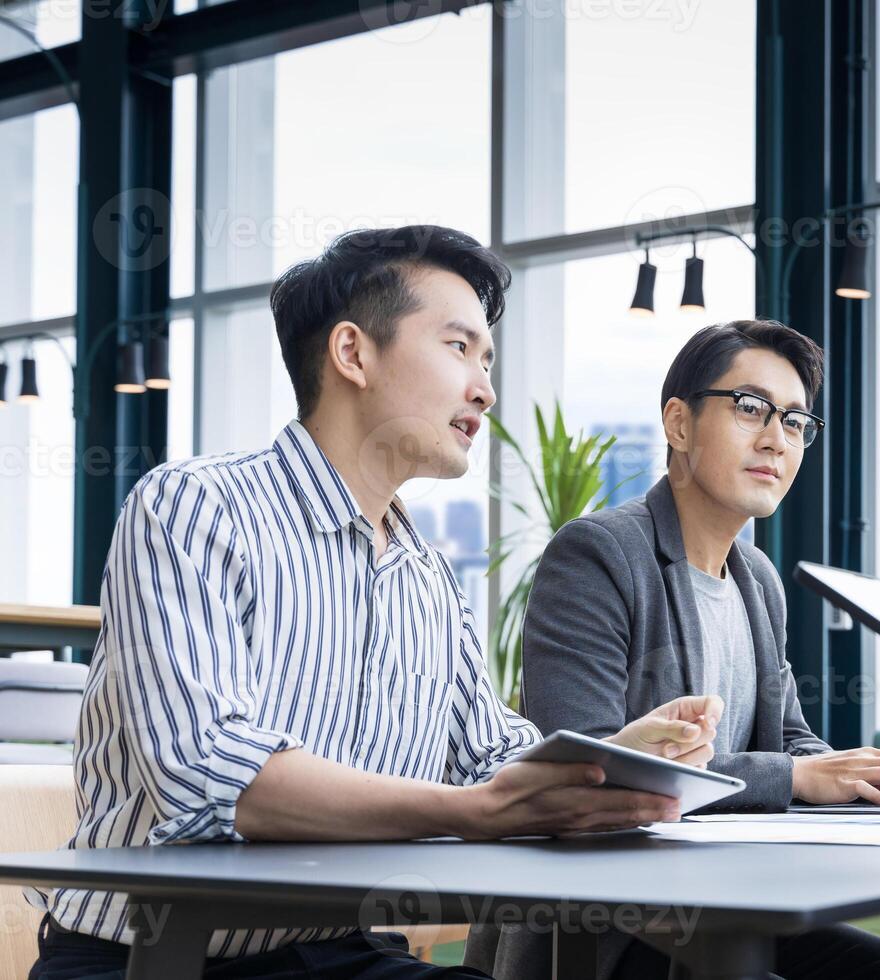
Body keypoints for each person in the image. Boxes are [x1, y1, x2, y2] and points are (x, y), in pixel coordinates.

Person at [27, 225, 724, 979]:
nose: (485, 389)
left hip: (343, 949)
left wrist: (610, 763)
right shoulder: (194, 508)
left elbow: (487, 754)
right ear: (353, 352)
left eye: (487, 360)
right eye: (459, 348)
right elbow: (208, 774)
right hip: (157, 956)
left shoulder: (427, 574)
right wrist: (475, 812)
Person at [476, 320, 880, 980]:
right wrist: (801, 777)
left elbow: (789, 741)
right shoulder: (596, 555)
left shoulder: (758, 579)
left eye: (794, 422)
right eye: (750, 408)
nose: (774, 439)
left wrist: (863, 772)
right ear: (679, 424)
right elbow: (584, 768)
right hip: (616, 927)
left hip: (739, 905)